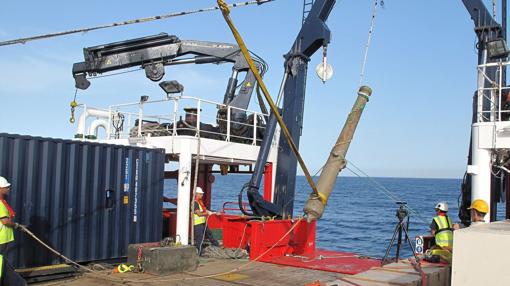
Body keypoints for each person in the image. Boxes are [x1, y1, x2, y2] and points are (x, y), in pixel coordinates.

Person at [193, 187, 218, 254]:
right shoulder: (195, 203)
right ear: (196, 194)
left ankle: (216, 245)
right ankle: (199, 252)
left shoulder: (200, 202)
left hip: (203, 222)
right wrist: (207, 213)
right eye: (200, 194)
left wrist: (211, 212)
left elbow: (204, 210)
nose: (202, 195)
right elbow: (199, 214)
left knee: (209, 234)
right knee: (199, 239)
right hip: (198, 224)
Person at [0, 177, 19, 256]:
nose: (8, 189)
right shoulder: (0, 203)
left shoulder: (2, 201)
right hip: (1, 237)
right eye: (6, 187)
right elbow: (5, 221)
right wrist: (16, 225)